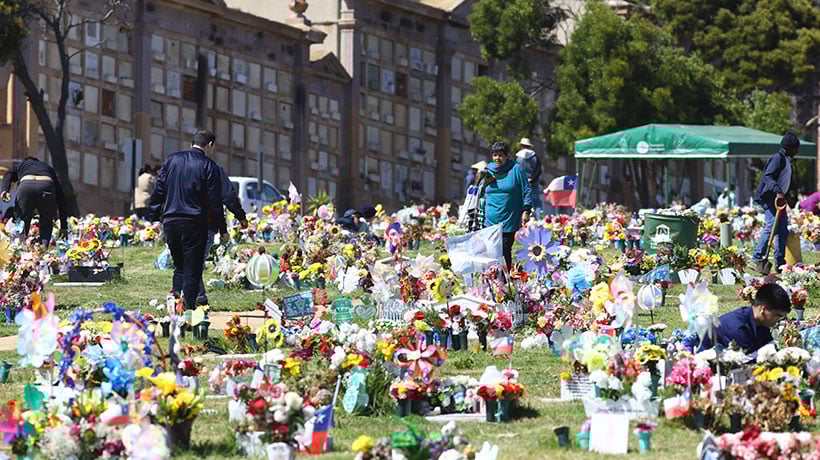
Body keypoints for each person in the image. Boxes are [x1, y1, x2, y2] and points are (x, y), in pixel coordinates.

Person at [149, 130, 224, 311]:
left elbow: (159, 189)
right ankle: (188, 310)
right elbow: (215, 201)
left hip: (171, 221)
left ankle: (175, 304)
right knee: (193, 269)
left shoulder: (171, 160)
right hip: (194, 222)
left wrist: (154, 216)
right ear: (210, 145)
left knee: (179, 267)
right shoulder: (209, 166)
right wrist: (222, 228)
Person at [197, 164, 248, 306]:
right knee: (196, 262)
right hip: (204, 222)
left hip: (177, 221)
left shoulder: (177, 164)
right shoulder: (213, 169)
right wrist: (240, 217)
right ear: (210, 145)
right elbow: (227, 197)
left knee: (184, 263)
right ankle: (197, 298)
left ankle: (182, 297)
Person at [752, 132, 800, 274]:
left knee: (782, 230)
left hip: (779, 198)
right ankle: (757, 257)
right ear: (788, 148)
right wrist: (779, 192)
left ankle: (780, 262)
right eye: (795, 148)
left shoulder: (785, 160)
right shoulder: (777, 158)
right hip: (771, 197)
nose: (796, 151)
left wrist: (787, 195)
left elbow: (784, 180)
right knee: (772, 225)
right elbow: (768, 177)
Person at [697, 283, 790, 354]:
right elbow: (749, 362)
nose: (779, 319)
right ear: (763, 309)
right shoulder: (737, 328)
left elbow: (770, 350)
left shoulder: (761, 322)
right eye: (777, 315)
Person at [483, 141, 533, 270]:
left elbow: (526, 189)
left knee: (504, 250)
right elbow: (480, 192)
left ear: (507, 156)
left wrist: (526, 210)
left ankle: (505, 282)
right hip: (490, 219)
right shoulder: (488, 170)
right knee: (491, 251)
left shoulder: (516, 169)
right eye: (495, 155)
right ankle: (492, 281)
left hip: (508, 219)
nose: (497, 158)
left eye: (500, 155)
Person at [0, 156, 68, 246]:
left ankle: (19, 248)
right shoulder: (47, 168)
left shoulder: (22, 165)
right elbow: (61, 198)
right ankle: (43, 249)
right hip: (46, 186)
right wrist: (63, 227)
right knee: (46, 223)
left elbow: (9, 174)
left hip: (26, 186)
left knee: (22, 222)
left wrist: (5, 189)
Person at [515, 138, 542, 218]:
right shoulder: (535, 157)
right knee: (536, 202)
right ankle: (540, 219)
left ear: (521, 146)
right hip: (533, 183)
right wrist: (532, 179)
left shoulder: (517, 157)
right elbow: (538, 170)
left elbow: (515, 171)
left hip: (521, 183)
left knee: (521, 202)